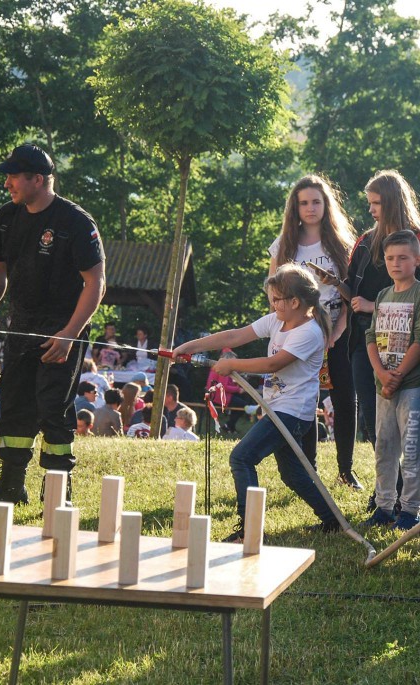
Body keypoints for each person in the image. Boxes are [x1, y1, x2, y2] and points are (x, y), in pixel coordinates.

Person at [0, 144, 105, 510]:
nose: (7, 183)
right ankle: (10, 489)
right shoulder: (7, 217)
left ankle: (58, 496)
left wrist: (70, 334)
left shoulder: (76, 222)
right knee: (14, 405)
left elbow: (96, 283)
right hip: (20, 325)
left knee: (53, 408)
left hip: (62, 328)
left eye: (13, 176)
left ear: (38, 179)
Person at [172, 263, 337, 541]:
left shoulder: (309, 333)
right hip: (277, 409)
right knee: (293, 475)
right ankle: (333, 521)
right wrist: (191, 346)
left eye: (276, 300)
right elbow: (236, 335)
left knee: (242, 457)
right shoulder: (278, 320)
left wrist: (234, 364)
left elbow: (275, 363)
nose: (272, 305)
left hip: (292, 412)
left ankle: (248, 530)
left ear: (294, 302)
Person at [270, 175, 361, 489]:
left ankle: (346, 470)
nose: (310, 208)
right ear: (295, 206)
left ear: (326, 205)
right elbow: (273, 294)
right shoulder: (284, 245)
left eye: (316, 202)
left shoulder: (343, 244)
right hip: (299, 335)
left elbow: (353, 293)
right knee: (306, 400)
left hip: (339, 333)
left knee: (345, 399)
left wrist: (337, 331)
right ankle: (309, 471)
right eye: (304, 202)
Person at [346, 170, 420, 452]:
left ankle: (408, 491)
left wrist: (374, 306)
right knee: (373, 417)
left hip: (409, 344)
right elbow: (352, 292)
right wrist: (335, 284)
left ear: (392, 202)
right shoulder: (364, 242)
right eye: (370, 203)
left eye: (376, 203)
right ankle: (387, 487)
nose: (371, 209)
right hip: (366, 341)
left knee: (408, 422)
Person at [363, 230, 420, 531]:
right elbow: (370, 335)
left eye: (403, 258)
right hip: (384, 386)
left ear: (417, 260)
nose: (396, 263)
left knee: (411, 448)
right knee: (384, 446)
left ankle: (409, 509)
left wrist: (398, 375)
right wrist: (382, 374)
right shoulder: (383, 295)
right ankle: (384, 505)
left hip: (411, 386)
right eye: (391, 258)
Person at [206, 349, 249, 433]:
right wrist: (238, 389)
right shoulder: (224, 369)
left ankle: (230, 427)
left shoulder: (217, 367)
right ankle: (229, 425)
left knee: (239, 402)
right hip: (218, 397)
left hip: (213, 395)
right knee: (243, 405)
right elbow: (224, 387)